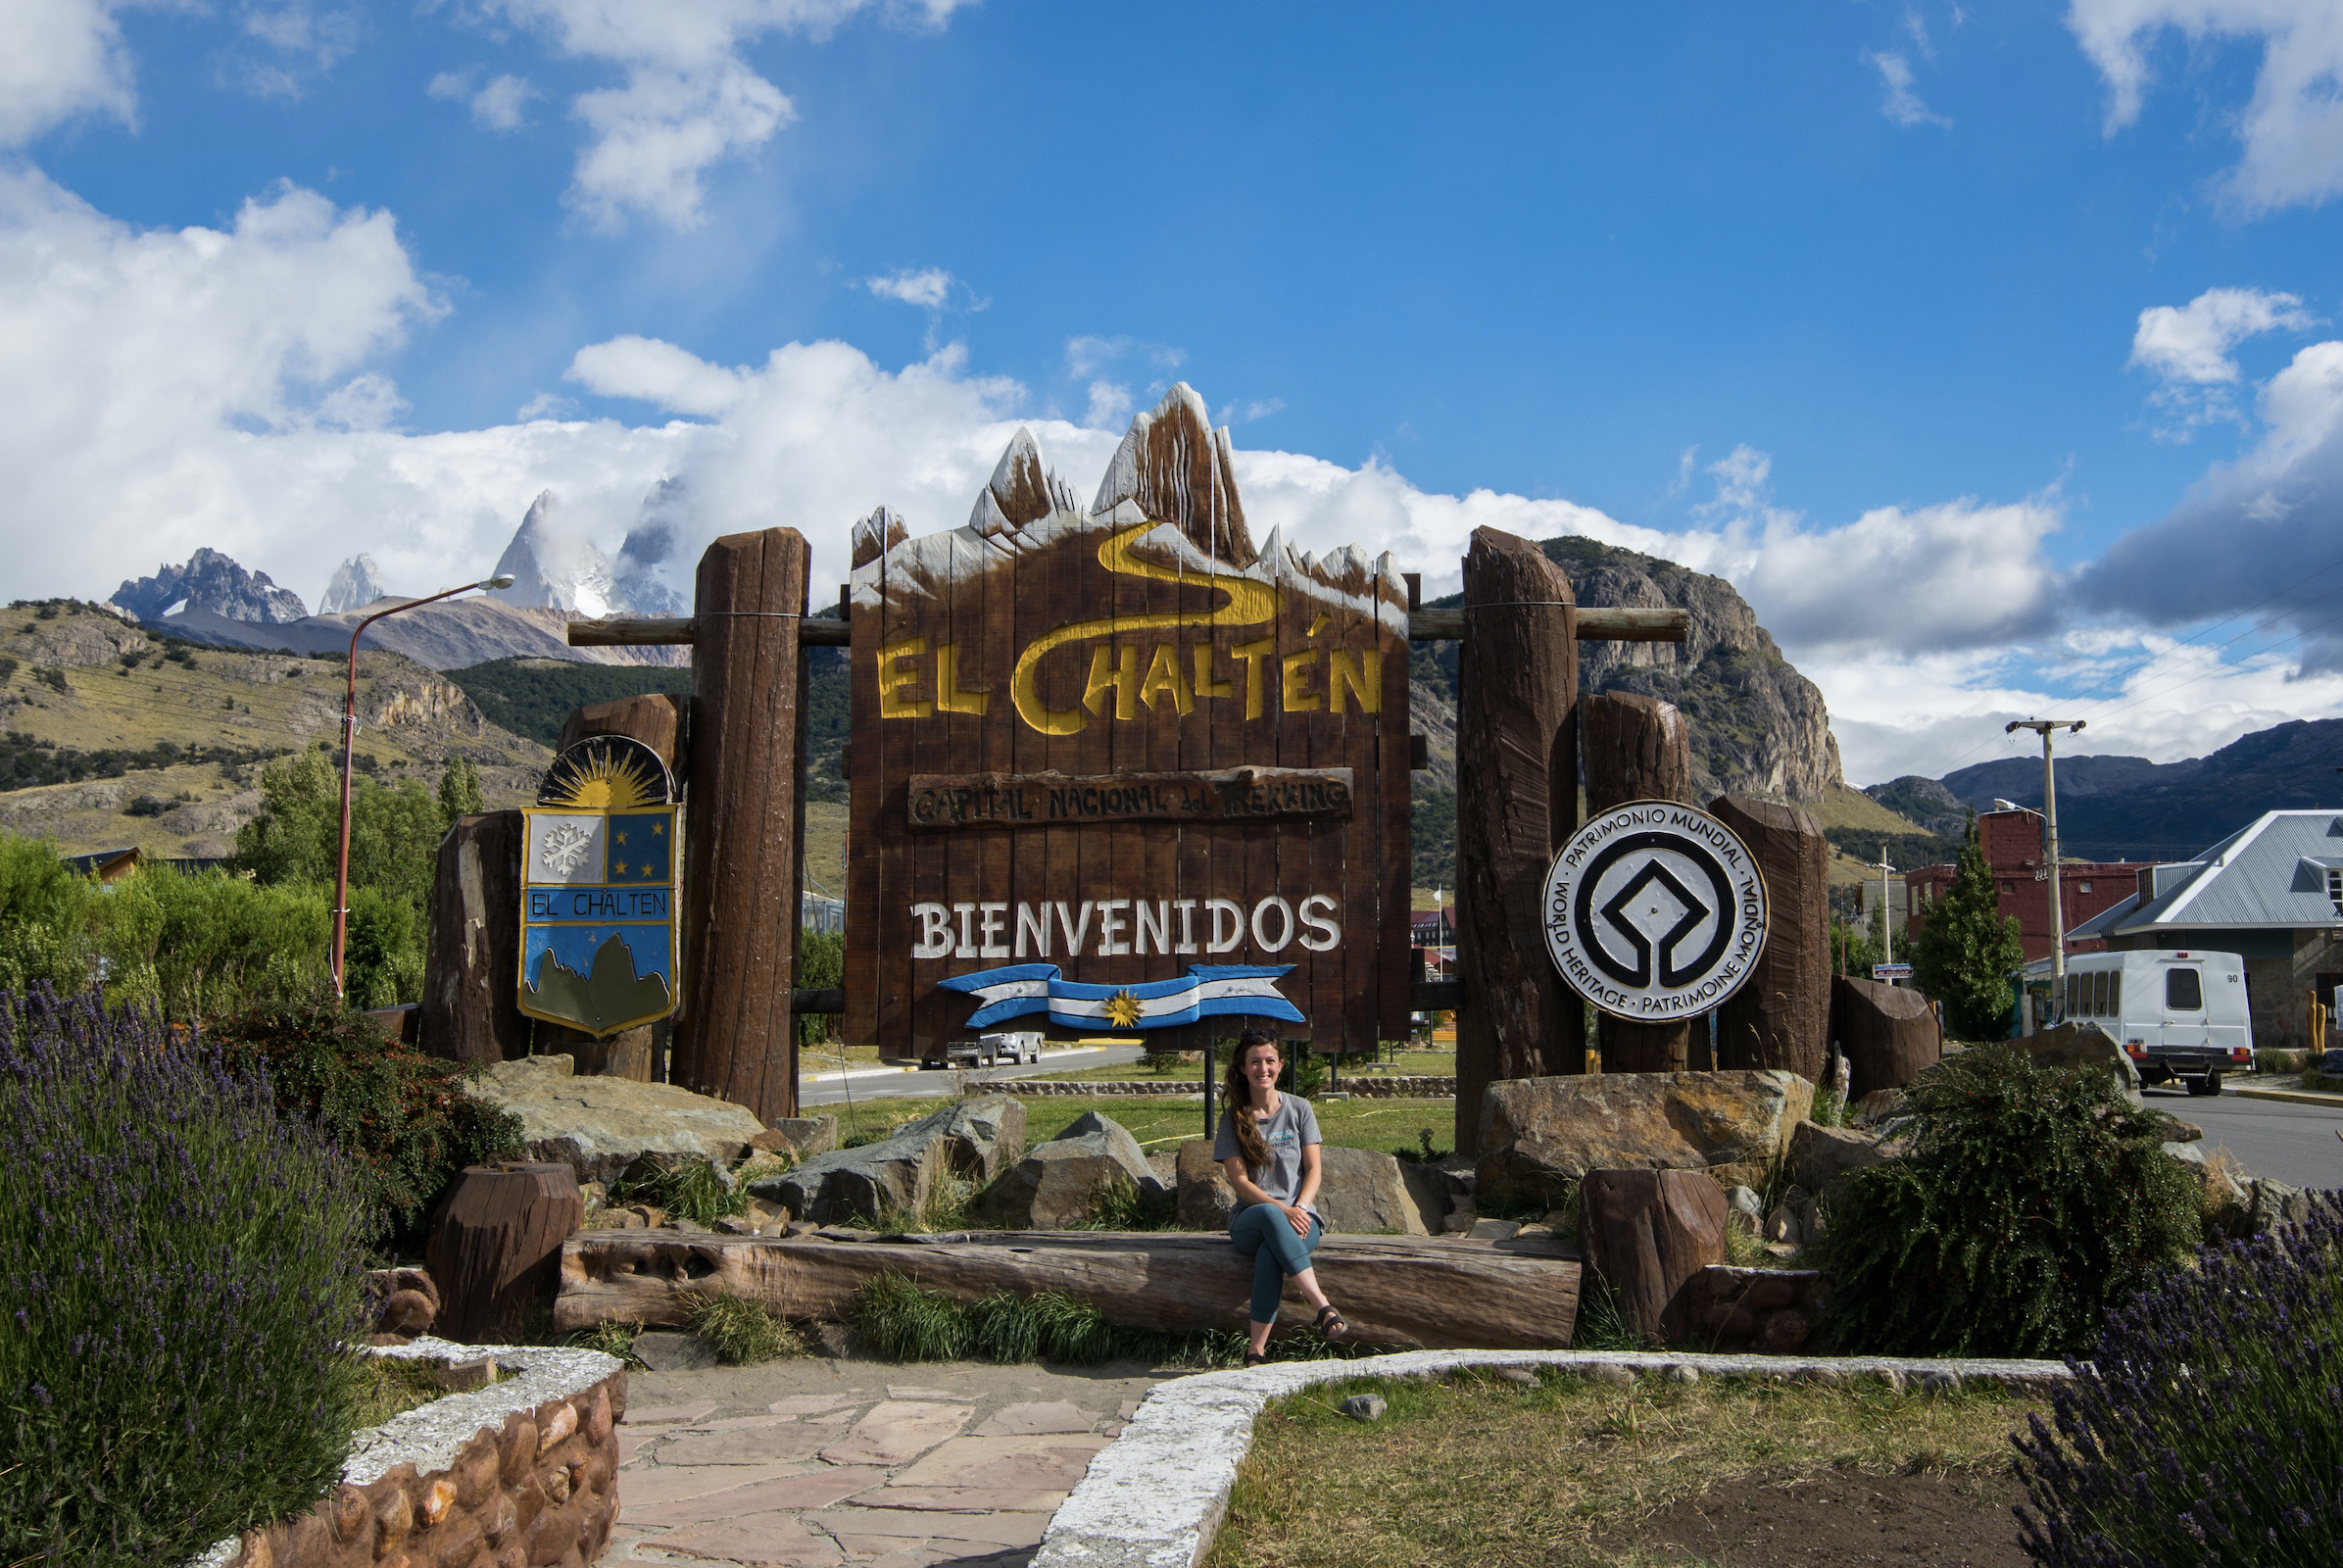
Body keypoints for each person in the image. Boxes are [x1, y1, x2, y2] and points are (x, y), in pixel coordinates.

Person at [1215, 1028, 1347, 1364]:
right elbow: (1240, 1183)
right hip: (1252, 1218)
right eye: (1255, 1062)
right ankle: (1322, 1306)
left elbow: (1314, 1169)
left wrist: (1300, 1207)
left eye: (1270, 1061)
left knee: (1269, 1255)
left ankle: (1255, 1351)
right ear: (1243, 1068)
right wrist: (1283, 1210)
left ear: (1281, 1064)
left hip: (1304, 1220)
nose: (1263, 1069)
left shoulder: (1300, 1109)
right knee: (1273, 1218)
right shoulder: (1233, 1118)